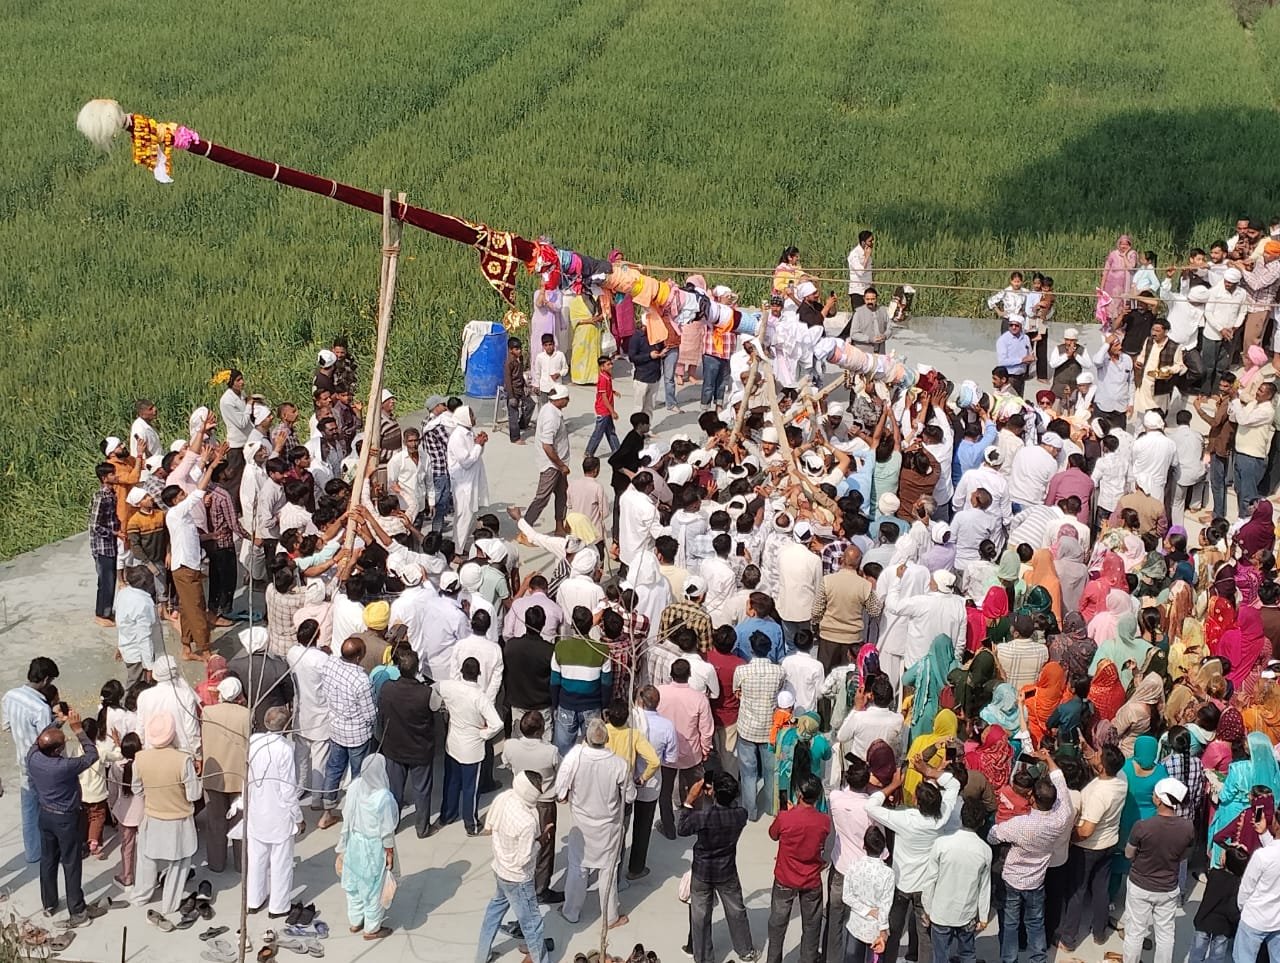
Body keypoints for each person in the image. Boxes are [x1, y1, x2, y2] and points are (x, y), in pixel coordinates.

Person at [867, 757, 962, 963]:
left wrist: (894, 785)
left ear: (917, 802)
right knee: (925, 936)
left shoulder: (906, 819)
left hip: (901, 883)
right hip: (926, 886)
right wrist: (929, 771)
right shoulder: (941, 816)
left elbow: (870, 806)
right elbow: (954, 784)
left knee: (892, 931)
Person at [987, 749, 1076, 963]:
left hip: (1012, 880)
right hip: (1036, 880)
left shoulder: (1020, 825)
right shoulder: (1062, 816)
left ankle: (1010, 959)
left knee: (1010, 923)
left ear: (1032, 798)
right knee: (1035, 923)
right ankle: (1038, 959)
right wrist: (1049, 759)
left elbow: (992, 836)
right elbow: (1060, 781)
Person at [554, 717, 634, 929]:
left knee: (578, 867)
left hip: (581, 825)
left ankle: (571, 911)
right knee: (608, 871)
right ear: (606, 739)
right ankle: (611, 917)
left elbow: (560, 790)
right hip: (609, 826)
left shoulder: (575, 756)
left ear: (587, 738)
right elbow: (630, 796)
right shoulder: (619, 764)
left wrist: (567, 794)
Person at [28, 707, 105, 926]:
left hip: (45, 814)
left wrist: (58, 722)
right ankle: (77, 910)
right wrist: (78, 730)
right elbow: (92, 755)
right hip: (66, 819)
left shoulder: (33, 757)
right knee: (71, 863)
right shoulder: (64, 766)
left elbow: (38, 739)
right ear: (57, 750)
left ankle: (49, 903)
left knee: (48, 860)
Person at [680, 771, 757, 963]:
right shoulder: (740, 815)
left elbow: (682, 828)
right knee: (736, 911)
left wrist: (689, 800)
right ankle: (745, 950)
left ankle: (704, 958)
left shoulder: (703, 817)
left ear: (713, 792)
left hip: (702, 872)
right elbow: (730, 808)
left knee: (700, 918)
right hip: (726, 871)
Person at [130, 714, 202, 917]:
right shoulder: (183, 760)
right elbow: (194, 795)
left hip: (152, 816)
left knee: (146, 860)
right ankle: (169, 904)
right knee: (179, 862)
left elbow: (137, 789)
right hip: (179, 820)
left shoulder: (140, 758)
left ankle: (140, 896)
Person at [475, 772, 552, 963]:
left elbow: (491, 826)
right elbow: (523, 859)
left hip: (500, 869)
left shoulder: (505, 797)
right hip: (518, 879)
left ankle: (482, 956)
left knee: (493, 913)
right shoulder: (527, 822)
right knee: (532, 924)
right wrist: (541, 841)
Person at [1059, 745, 1127, 952]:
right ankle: (1099, 932)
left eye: (1098, 755)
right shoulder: (1121, 779)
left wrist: (1070, 839)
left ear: (1103, 766)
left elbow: (1087, 830)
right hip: (1109, 842)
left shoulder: (1099, 793)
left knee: (1077, 891)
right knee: (1100, 889)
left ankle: (1068, 939)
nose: (1094, 755)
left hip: (1088, 847)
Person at [1122, 777, 1195, 963]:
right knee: (1165, 934)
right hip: (1168, 888)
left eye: (1155, 794)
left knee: (1135, 932)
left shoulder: (1142, 826)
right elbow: (1184, 855)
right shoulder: (1188, 827)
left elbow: (1129, 853)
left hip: (1140, 886)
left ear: (1160, 800)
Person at [431, 657, 503, 836]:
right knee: (471, 788)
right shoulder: (480, 697)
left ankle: (447, 815)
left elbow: (434, 688)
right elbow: (497, 724)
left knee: (451, 782)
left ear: (461, 671)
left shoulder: (449, 687)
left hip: (453, 744)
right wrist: (483, 734)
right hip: (472, 750)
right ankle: (471, 825)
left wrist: (437, 706)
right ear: (479, 674)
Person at [765, 774, 830, 963]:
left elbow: (773, 834)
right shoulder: (824, 821)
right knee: (812, 926)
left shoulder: (786, 817)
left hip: (785, 877)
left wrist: (784, 815)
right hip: (811, 880)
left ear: (799, 794)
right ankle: (808, 959)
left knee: (777, 924)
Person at [245, 706, 302, 918]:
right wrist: (298, 817)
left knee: (256, 860)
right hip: (279, 814)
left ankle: (253, 900)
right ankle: (278, 906)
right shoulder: (285, 749)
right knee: (281, 862)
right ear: (286, 726)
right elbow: (288, 789)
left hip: (256, 810)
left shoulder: (254, 742)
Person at [335, 754, 398, 941]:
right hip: (373, 847)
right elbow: (387, 830)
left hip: (354, 842)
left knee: (353, 883)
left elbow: (347, 815)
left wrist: (343, 845)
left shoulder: (355, 786)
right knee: (373, 888)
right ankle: (371, 928)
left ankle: (355, 921)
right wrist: (389, 852)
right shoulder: (383, 797)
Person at [922, 798, 993, 963]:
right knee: (967, 953)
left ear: (961, 817)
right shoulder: (985, 851)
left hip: (940, 912)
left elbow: (930, 879)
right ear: (982, 822)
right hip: (967, 913)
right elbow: (984, 887)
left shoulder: (941, 844)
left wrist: (927, 907)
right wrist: (983, 916)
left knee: (940, 956)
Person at [501, 711, 562, 902]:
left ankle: (519, 882)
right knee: (544, 849)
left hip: (519, 801)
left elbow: (507, 764)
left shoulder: (510, 746)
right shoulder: (550, 751)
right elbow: (561, 771)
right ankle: (540, 890)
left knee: (519, 844)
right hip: (544, 804)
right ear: (541, 730)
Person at [4, 656, 59, 864]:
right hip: (40, 763)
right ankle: (50, 846)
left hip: (22, 758)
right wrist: (58, 723)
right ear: (45, 680)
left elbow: (6, 725)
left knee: (28, 808)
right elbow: (48, 740)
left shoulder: (10, 696)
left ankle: (32, 852)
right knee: (49, 806)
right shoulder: (40, 708)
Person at [377, 647, 436, 838]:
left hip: (394, 747)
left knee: (394, 790)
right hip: (420, 748)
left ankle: (392, 824)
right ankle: (422, 828)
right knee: (422, 790)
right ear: (417, 669)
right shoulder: (426, 693)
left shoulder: (387, 688)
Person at [318, 638, 377, 828]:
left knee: (334, 769)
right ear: (359, 657)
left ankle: (327, 812)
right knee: (359, 775)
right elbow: (370, 714)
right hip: (357, 735)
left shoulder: (330, 665)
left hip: (336, 729)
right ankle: (356, 812)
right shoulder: (362, 681)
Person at [734, 633, 786, 821]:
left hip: (747, 728)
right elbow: (780, 693)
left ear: (751, 649)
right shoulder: (779, 672)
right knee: (771, 771)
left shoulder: (741, 671)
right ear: (769, 649)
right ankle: (772, 808)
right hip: (770, 729)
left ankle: (750, 811)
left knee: (748, 773)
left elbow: (736, 692)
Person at [201, 676, 250, 875]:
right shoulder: (246, 714)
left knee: (215, 822)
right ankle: (241, 863)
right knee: (240, 822)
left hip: (214, 775)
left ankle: (216, 863)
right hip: (239, 776)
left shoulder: (207, 712)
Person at [842, 824, 894, 963]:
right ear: (883, 848)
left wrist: (865, 910)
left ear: (864, 846)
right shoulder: (888, 874)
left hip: (856, 926)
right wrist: (883, 931)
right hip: (875, 930)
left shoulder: (853, 866)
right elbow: (885, 906)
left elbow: (846, 896)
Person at [526, 384, 572, 534]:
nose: (568, 401)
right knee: (542, 498)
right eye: (566, 398)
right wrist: (561, 465)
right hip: (552, 465)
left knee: (562, 494)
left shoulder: (549, 408)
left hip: (558, 463)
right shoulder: (552, 418)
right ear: (559, 399)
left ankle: (559, 526)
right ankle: (525, 529)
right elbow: (547, 446)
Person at [446, 406, 489, 550]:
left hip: (472, 481)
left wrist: (481, 443)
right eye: (471, 416)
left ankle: (460, 546)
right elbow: (466, 462)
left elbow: (476, 454)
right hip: (463, 484)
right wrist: (478, 445)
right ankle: (457, 551)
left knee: (469, 515)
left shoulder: (469, 432)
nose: (474, 418)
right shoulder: (457, 437)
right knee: (463, 516)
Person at [503, 337, 534, 443]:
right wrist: (511, 397)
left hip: (521, 388)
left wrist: (525, 386)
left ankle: (523, 425)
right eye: (516, 349)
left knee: (530, 404)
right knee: (513, 414)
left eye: (520, 348)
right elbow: (508, 380)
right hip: (513, 390)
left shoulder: (520, 359)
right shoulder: (509, 363)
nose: (519, 351)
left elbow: (520, 375)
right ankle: (515, 438)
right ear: (510, 350)